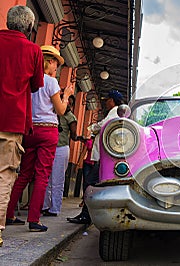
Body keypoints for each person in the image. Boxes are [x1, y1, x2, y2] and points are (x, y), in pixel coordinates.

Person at [6, 45, 74, 232]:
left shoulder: (30, 81)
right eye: (56, 65)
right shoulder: (51, 82)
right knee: (42, 174)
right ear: (50, 62)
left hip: (30, 131)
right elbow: (60, 110)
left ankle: (8, 214)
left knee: (24, 174)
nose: (56, 69)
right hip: (48, 132)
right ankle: (34, 219)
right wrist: (66, 96)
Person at [0, 5, 44, 247]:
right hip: (12, 121)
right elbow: (37, 84)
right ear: (29, 27)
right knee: (4, 175)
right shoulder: (33, 50)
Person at [67, 90, 124, 224]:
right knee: (93, 185)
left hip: (103, 157)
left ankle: (86, 215)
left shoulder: (115, 112)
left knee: (90, 185)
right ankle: (88, 215)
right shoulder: (117, 112)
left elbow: (103, 124)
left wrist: (91, 127)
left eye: (108, 99)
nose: (106, 102)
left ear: (112, 100)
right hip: (103, 157)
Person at [42, 96, 78, 216]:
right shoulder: (54, 112)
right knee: (46, 178)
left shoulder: (71, 117)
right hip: (49, 147)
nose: (68, 105)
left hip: (61, 148)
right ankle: (45, 206)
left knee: (57, 180)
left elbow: (73, 136)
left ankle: (55, 208)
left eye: (70, 104)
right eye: (67, 102)